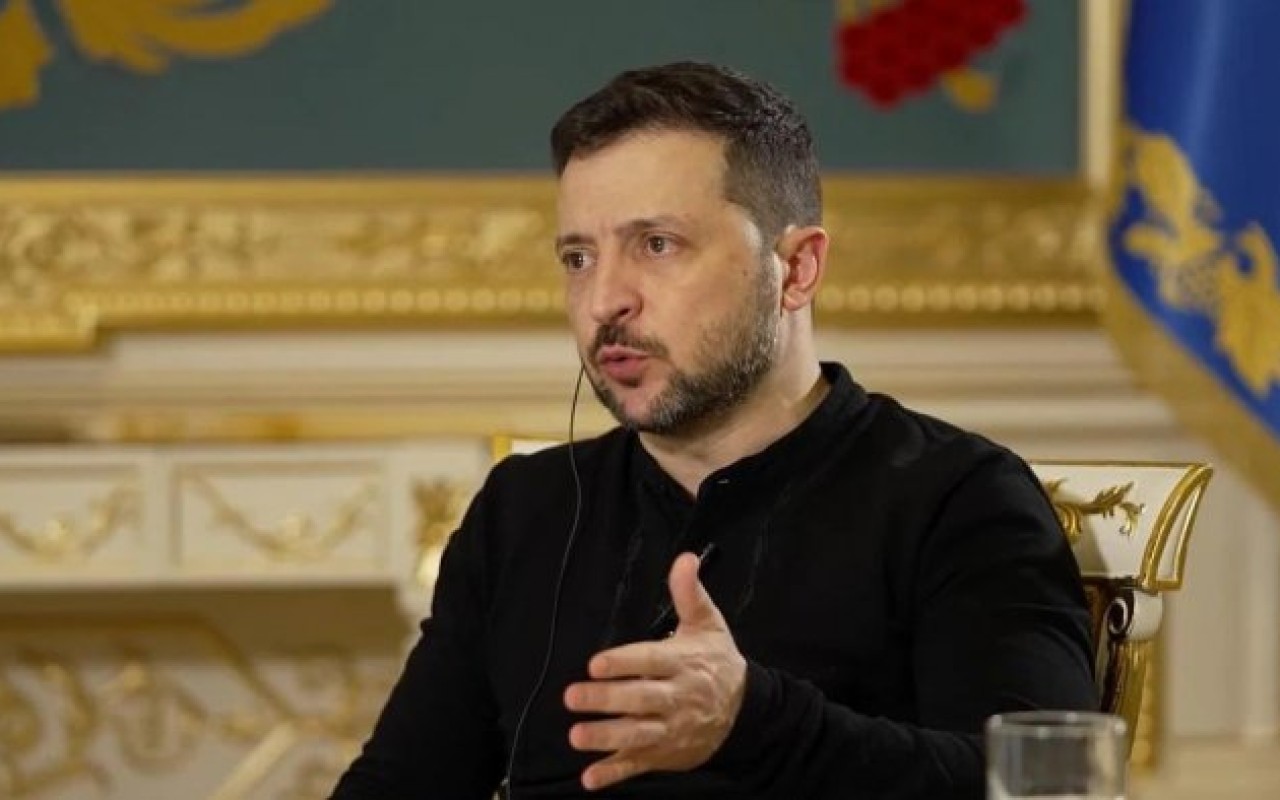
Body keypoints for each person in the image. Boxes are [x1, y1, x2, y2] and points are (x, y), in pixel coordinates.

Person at [330, 61, 1097, 799]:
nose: (604, 301)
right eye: (578, 257)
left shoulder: (956, 496)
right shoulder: (524, 508)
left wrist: (755, 722)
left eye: (656, 245)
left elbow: (1046, 784)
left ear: (796, 269)